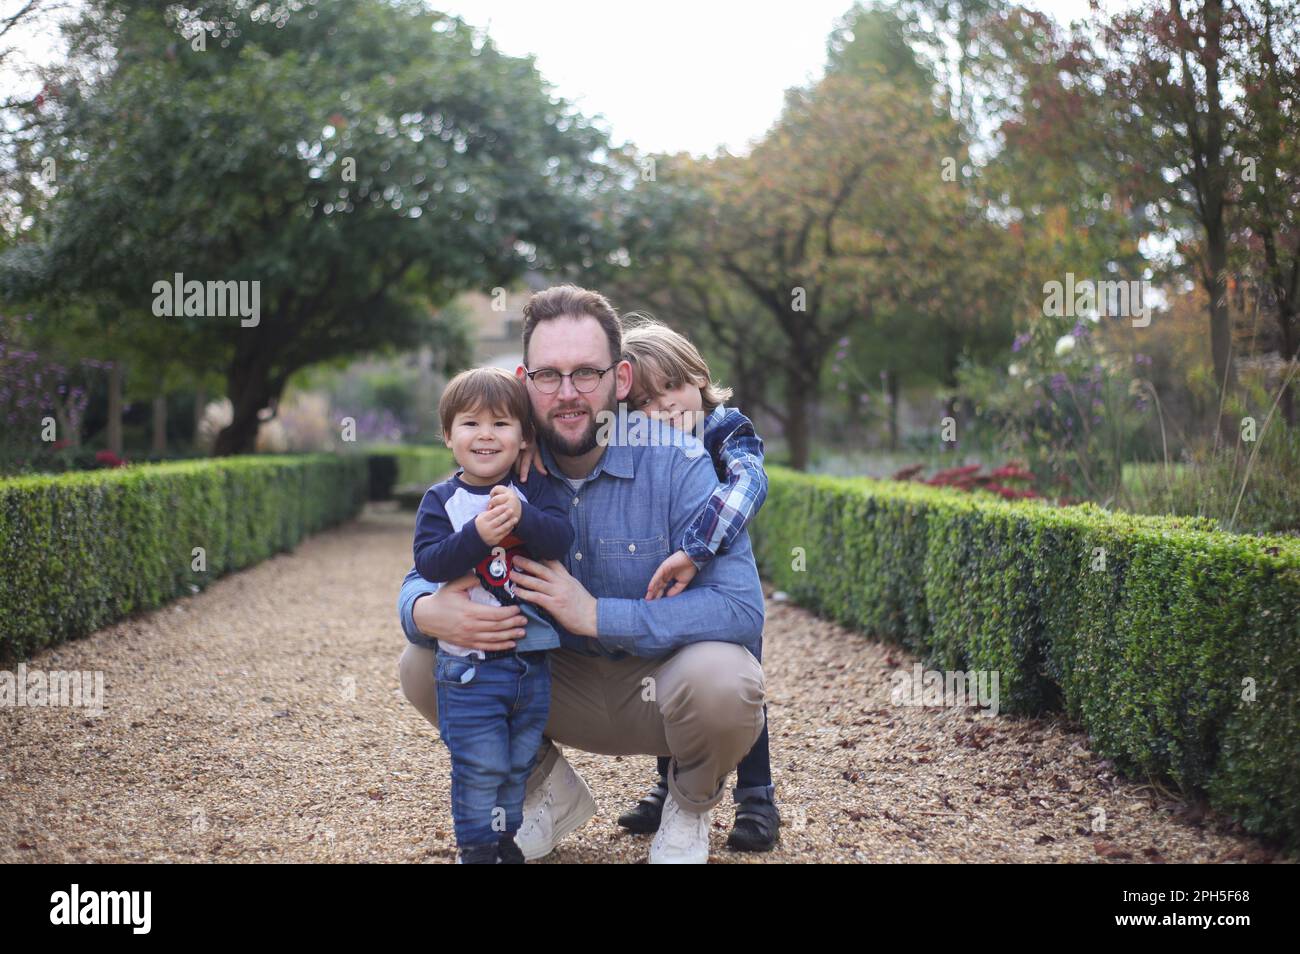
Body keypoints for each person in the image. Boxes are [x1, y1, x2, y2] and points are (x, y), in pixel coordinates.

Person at [398, 284, 766, 863]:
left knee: (728, 678)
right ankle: (546, 787)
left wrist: (597, 614)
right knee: (423, 662)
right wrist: (422, 609)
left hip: (660, 685)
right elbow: (424, 566)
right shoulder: (498, 457)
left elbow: (743, 609)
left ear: (620, 379)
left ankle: (689, 805)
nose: (567, 394)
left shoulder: (680, 463)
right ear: (525, 380)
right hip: (547, 682)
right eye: (548, 375)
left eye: (586, 374)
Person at [606, 314, 780, 851]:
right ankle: (669, 787)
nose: (666, 409)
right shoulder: (640, 451)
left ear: (698, 379)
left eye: (674, 388)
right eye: (645, 405)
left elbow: (749, 482)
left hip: (724, 586)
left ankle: (757, 799)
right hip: (669, 583)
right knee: (670, 681)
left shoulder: (722, 427)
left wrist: (696, 546)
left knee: (739, 687)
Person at [411, 367, 574, 864]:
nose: (486, 435)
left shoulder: (533, 490)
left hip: (530, 664)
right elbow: (430, 562)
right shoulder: (443, 501)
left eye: (501, 424)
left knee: (518, 762)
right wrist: (479, 535)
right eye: (470, 424)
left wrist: (523, 517)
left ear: (524, 438)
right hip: (469, 667)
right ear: (448, 436)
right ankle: (477, 848)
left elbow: (561, 540)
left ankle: (507, 840)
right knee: (480, 763)